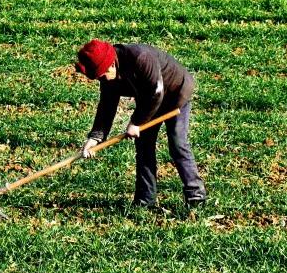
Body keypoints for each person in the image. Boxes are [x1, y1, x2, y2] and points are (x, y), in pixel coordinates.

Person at [75, 39, 207, 209]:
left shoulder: (140, 57)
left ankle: (196, 196)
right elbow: (107, 106)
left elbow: (156, 92)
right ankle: (145, 200)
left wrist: (136, 122)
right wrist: (95, 138)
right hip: (149, 101)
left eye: (102, 75)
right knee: (144, 145)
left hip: (175, 94)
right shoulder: (107, 76)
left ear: (111, 65)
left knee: (178, 144)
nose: (103, 80)